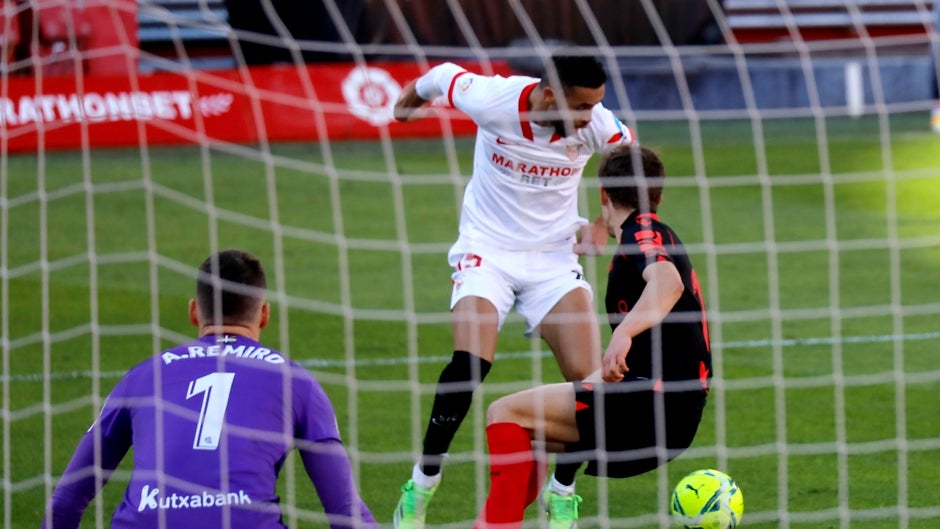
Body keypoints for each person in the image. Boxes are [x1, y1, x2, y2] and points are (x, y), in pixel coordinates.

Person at [391, 52, 635, 529]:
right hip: (488, 251)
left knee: (591, 385)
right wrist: (411, 97)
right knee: (470, 364)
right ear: (548, 96)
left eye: (595, 107)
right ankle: (422, 484)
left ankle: (562, 492)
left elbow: (626, 164)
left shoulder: (596, 125)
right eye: (581, 107)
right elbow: (444, 76)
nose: (589, 117)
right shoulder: (494, 100)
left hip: (553, 259)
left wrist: (604, 226)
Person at [41, 250, 378, 529]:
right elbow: (345, 512)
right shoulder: (296, 380)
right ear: (264, 315)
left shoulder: (144, 375)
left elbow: (66, 502)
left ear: (193, 311)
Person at [473, 145, 712, 529]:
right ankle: (558, 500)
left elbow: (667, 283)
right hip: (674, 418)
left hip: (651, 405)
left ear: (603, 193)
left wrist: (624, 334)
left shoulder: (643, 230)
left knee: (503, 414)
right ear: (659, 195)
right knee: (529, 432)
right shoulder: (654, 237)